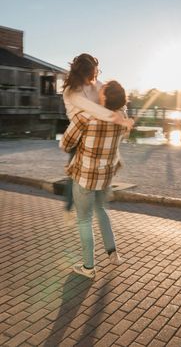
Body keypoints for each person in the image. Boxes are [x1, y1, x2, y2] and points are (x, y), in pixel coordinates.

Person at [60, 80, 128, 279]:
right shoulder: (122, 118)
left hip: (85, 177)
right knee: (101, 210)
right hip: (105, 176)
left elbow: (65, 143)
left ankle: (88, 267)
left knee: (84, 220)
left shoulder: (85, 117)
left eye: (101, 91)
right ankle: (113, 253)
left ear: (104, 97)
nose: (98, 93)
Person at [62, 53, 133, 213]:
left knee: (89, 175)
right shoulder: (71, 92)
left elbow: (112, 95)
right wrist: (119, 119)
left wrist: (122, 112)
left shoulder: (94, 83)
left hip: (96, 132)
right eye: (92, 75)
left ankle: (96, 203)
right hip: (80, 134)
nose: (95, 78)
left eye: (96, 73)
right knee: (74, 174)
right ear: (83, 74)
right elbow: (93, 110)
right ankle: (70, 208)